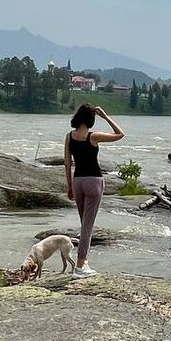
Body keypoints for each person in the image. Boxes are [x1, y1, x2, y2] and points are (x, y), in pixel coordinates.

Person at [64, 103, 125, 277]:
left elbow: (67, 163)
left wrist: (69, 186)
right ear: (91, 119)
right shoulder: (93, 136)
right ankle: (80, 266)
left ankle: (84, 261)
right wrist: (105, 116)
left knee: (85, 224)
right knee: (87, 227)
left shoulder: (69, 136)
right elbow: (120, 134)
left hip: (77, 182)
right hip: (94, 182)